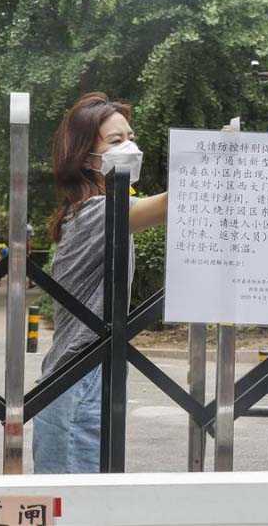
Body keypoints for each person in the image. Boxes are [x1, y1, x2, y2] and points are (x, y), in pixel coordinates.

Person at [32, 92, 168, 473]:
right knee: (77, 506)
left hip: (89, 372)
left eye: (130, 136)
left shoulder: (98, 210)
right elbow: (175, 203)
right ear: (85, 159)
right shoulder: (95, 213)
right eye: (115, 141)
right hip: (80, 374)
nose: (131, 147)